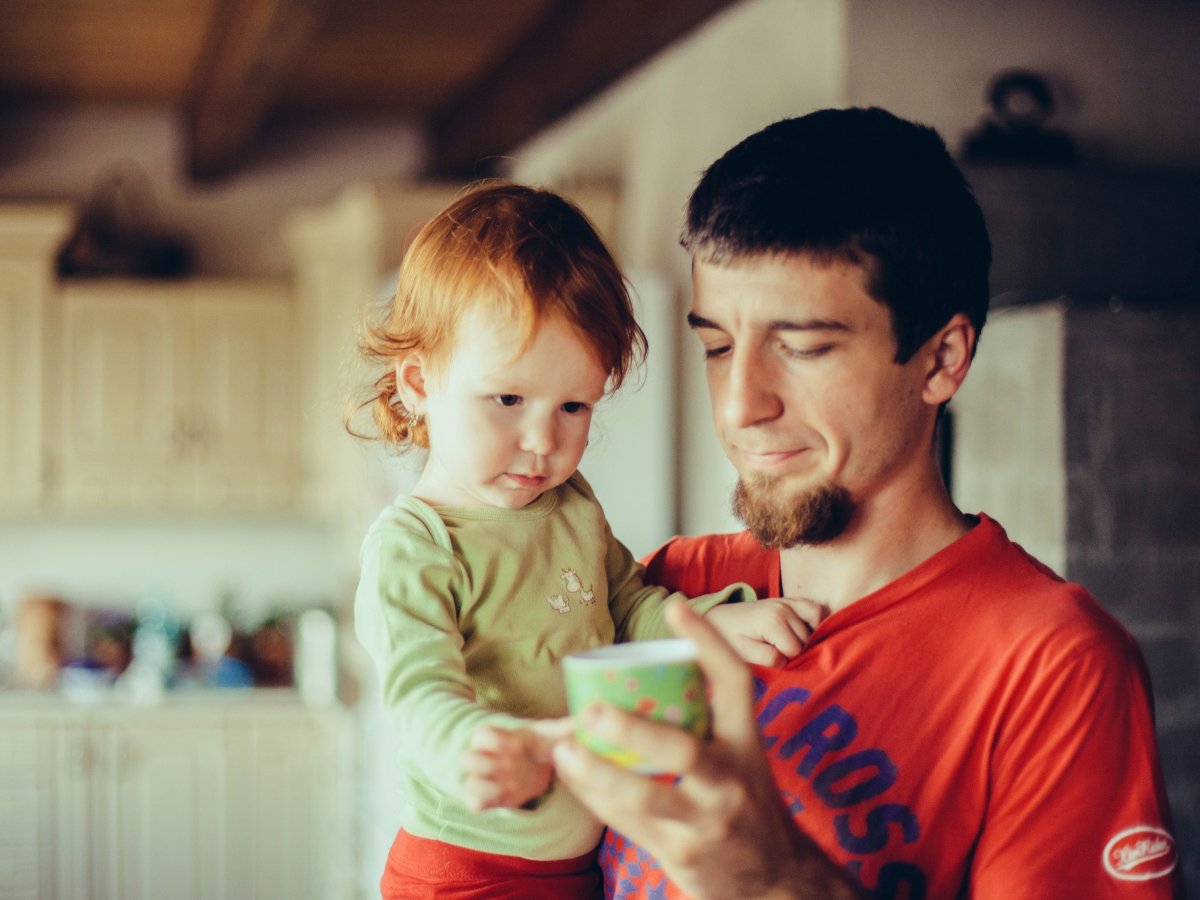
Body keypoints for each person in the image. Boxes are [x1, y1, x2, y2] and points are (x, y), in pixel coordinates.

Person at [550, 108, 1182, 899]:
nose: (740, 404)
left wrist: (772, 875)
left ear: (941, 359)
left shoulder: (1052, 664)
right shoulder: (673, 589)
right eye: (717, 347)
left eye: (803, 347)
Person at [350, 181, 820, 898]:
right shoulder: (415, 544)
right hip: (465, 873)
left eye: (573, 405)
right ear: (417, 382)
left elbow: (625, 605)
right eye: (507, 399)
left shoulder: (570, 505)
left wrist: (708, 627)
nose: (543, 441)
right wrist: (481, 747)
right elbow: (421, 696)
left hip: (578, 864)